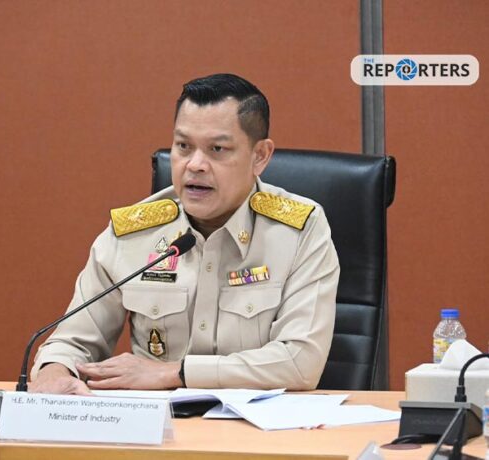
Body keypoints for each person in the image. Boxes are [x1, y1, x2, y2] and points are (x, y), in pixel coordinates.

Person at [30, 73, 339, 395]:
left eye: (217, 149)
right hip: (157, 423)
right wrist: (55, 372)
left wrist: (175, 373)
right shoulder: (133, 234)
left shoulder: (299, 230)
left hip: (258, 423)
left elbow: (301, 362)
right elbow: (73, 340)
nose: (195, 165)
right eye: (183, 146)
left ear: (260, 156)